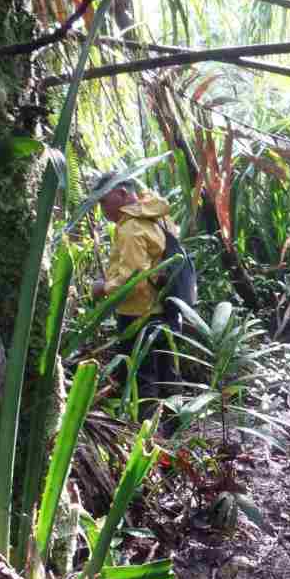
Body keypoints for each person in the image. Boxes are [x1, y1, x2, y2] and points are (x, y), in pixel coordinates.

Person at [91, 174, 177, 420]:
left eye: (104, 201)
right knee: (167, 372)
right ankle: (174, 427)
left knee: (141, 375)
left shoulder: (131, 228)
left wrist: (103, 288)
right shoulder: (155, 213)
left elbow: (134, 281)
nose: (102, 209)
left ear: (121, 193)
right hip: (164, 306)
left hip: (137, 314)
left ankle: (147, 433)